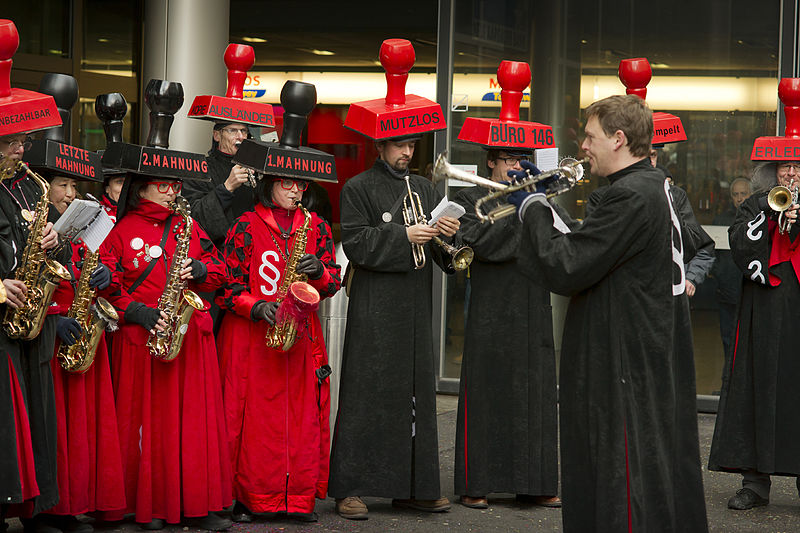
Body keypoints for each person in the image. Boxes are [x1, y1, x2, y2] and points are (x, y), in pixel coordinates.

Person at [507, 94, 708, 532]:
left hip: (621, 357)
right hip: (642, 349)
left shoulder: (630, 196)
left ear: (618, 139)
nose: (583, 146)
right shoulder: (653, 185)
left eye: (590, 136)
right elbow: (594, 247)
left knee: (618, 472)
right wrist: (549, 209)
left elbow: (568, 266)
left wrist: (535, 208)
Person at [98, 79, 232, 531]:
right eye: (165, 186)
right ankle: (148, 507)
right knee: (144, 427)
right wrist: (135, 311)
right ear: (142, 190)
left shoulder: (188, 226)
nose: (174, 193)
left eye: (175, 186)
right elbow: (104, 284)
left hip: (187, 339)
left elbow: (220, 270)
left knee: (191, 427)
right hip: (141, 342)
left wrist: (198, 270)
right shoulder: (119, 230)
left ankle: (195, 504)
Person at [215, 80, 340, 524]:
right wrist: (257, 306)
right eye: (287, 182)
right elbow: (224, 285)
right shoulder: (246, 225)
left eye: (300, 184)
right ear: (270, 183)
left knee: (301, 418)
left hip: (301, 337)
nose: (295, 190)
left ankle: (297, 498)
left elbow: (335, 280)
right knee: (254, 421)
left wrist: (319, 273)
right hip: (254, 339)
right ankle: (250, 497)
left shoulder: (317, 226)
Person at [329, 136, 459, 519]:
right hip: (375, 306)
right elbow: (355, 242)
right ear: (380, 148)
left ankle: (414, 488)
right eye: (399, 146)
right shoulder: (357, 187)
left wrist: (448, 234)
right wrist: (402, 235)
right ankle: (350, 488)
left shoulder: (423, 187)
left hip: (415, 305)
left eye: (412, 147)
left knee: (414, 397)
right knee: (365, 395)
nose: (407, 154)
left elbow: (439, 251)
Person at [452, 148, 562, 510]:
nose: (517, 166)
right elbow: (479, 243)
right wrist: (524, 211)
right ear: (491, 162)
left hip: (533, 302)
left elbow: (559, 239)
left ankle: (536, 482)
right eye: (509, 160)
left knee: (536, 394)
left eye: (521, 160)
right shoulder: (470, 196)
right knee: (485, 393)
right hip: (490, 306)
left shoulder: (538, 196)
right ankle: (476, 483)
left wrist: (535, 202)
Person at [708, 161, 800, 509]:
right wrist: (767, 211)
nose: (791, 175)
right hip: (762, 309)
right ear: (774, 173)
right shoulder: (755, 203)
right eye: (785, 168)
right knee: (755, 388)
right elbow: (738, 244)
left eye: (798, 168)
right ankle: (755, 484)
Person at [710, 177, 751, 360]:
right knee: (727, 339)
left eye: (743, 194)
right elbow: (712, 253)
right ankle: (727, 386)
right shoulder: (720, 220)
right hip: (726, 292)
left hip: (750, 292)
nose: (739, 198)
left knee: (748, 341)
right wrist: (719, 274)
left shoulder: (758, 218)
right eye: (735, 194)